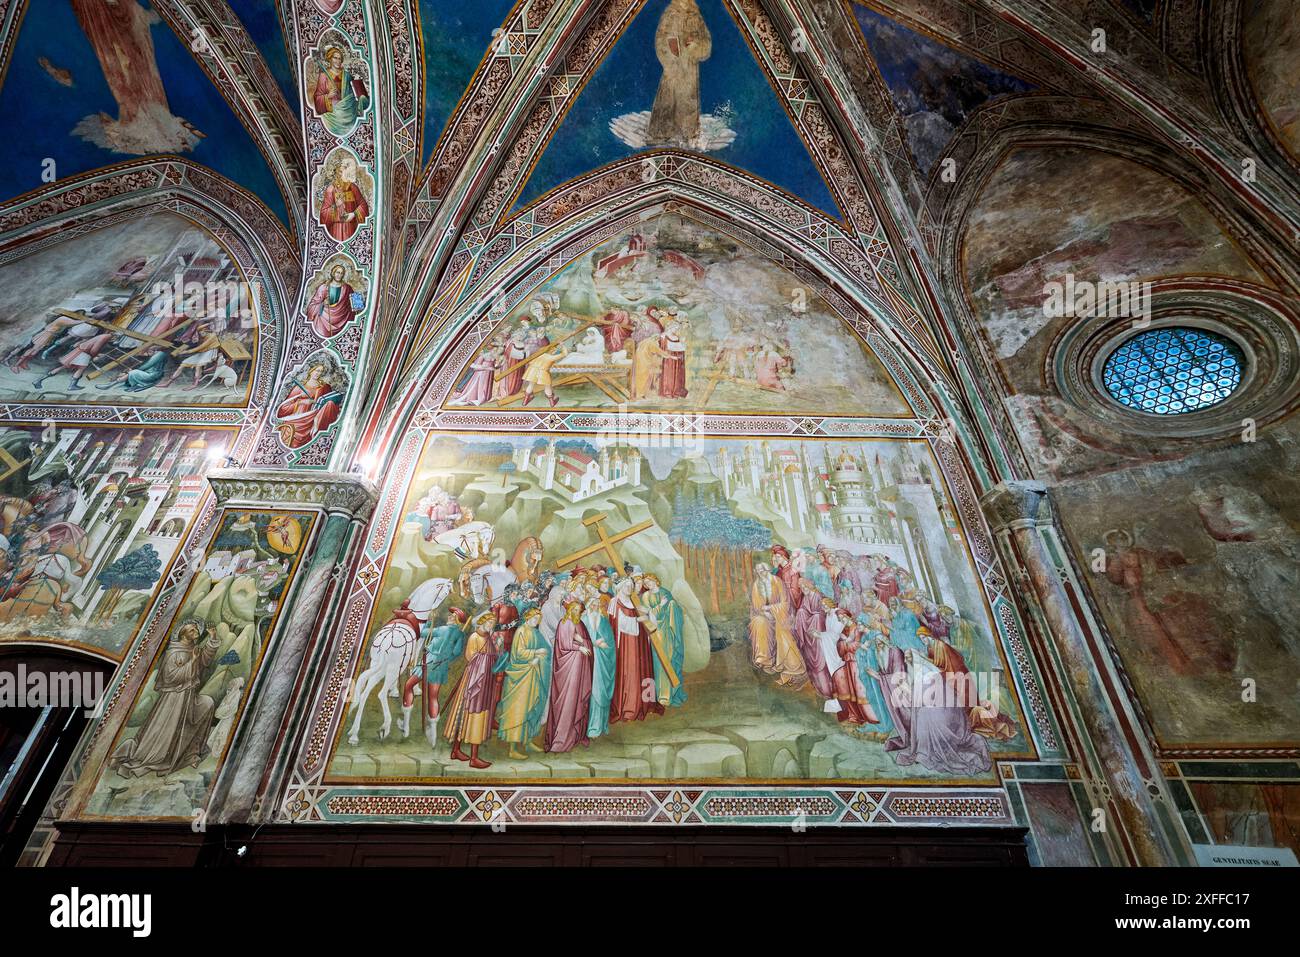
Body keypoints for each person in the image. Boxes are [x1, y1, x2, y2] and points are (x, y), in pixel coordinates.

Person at [109, 620, 221, 777]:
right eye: (191, 630)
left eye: (196, 629)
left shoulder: (192, 649)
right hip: (174, 698)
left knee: (207, 703)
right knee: (167, 730)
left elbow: (204, 661)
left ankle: (190, 753)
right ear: (183, 634)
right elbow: (170, 677)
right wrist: (193, 661)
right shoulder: (173, 652)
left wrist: (213, 637)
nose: (195, 631)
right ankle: (148, 756)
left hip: (188, 696)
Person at [647, 0, 712, 146]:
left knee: (688, 100)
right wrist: (670, 57)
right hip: (673, 67)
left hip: (689, 68)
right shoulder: (670, 12)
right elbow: (661, 38)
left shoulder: (696, 15)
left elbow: (706, 42)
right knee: (668, 99)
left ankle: (688, 134)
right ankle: (661, 133)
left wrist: (695, 45)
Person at [442, 613, 500, 769]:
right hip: (474, 683)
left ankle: (458, 751)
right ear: (482, 622)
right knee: (466, 715)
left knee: (477, 716)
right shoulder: (474, 637)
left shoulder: (488, 638)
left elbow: (492, 657)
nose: (491, 625)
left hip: (484, 681)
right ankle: (471, 757)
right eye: (489, 622)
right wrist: (488, 657)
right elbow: (470, 656)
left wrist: (496, 654)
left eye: (492, 623)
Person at [496, 606, 550, 759]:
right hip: (520, 677)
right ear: (528, 618)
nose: (536, 622)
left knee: (531, 709)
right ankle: (512, 749)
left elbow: (545, 649)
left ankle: (528, 741)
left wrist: (539, 656)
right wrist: (535, 653)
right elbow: (518, 653)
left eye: (538, 620)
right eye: (534, 619)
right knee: (518, 711)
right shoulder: (521, 631)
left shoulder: (536, 632)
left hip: (533, 676)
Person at [608, 577, 663, 723]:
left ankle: (645, 703)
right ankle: (628, 706)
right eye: (626, 585)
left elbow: (647, 615)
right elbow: (619, 623)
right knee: (629, 673)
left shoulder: (634, 601)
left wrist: (649, 613)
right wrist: (637, 620)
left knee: (642, 670)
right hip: (626, 646)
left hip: (639, 643)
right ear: (620, 587)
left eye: (630, 585)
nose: (629, 588)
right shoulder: (615, 602)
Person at [545, 601, 593, 753]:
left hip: (579, 668)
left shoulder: (581, 624)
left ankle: (576, 735)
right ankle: (561, 739)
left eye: (579, 610)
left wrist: (582, 642)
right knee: (568, 701)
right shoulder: (564, 623)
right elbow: (564, 644)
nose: (577, 612)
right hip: (568, 669)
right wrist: (580, 646)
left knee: (577, 698)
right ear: (569, 610)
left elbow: (587, 642)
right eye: (575, 609)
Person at [639, 574, 686, 708]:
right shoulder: (646, 596)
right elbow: (650, 615)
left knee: (671, 660)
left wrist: (670, 606)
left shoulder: (665, 592)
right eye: (646, 583)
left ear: (655, 580)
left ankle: (673, 692)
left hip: (669, 632)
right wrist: (661, 605)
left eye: (650, 581)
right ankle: (662, 695)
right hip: (656, 633)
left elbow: (674, 610)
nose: (648, 585)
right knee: (660, 664)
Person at [275, 363, 343, 448]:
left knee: (330, 404)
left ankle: (317, 431)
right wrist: (301, 402)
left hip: (317, 418)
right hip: (299, 420)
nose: (318, 373)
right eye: (317, 370)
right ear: (311, 371)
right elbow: (282, 410)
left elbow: (328, 400)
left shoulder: (324, 387)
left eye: (321, 372)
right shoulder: (299, 388)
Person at [312, 45, 369, 136]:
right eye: (335, 58)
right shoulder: (323, 76)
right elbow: (317, 98)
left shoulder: (347, 75)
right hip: (333, 114)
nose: (338, 61)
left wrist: (359, 93)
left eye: (340, 58)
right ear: (330, 59)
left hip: (349, 110)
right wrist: (328, 96)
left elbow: (353, 94)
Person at [584, 594, 617, 739]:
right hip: (588, 662)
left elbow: (610, 640)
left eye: (597, 605)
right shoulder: (584, 620)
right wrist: (593, 643)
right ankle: (592, 727)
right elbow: (580, 639)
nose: (595, 607)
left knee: (601, 692)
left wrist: (604, 646)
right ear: (588, 606)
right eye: (592, 604)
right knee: (592, 693)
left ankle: (602, 725)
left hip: (603, 662)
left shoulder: (603, 621)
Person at [319, 155, 369, 241]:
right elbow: (323, 214)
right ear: (341, 172)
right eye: (350, 170)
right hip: (336, 230)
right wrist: (336, 208)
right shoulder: (331, 189)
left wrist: (354, 214)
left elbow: (363, 205)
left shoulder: (353, 188)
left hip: (351, 229)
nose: (352, 173)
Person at [306, 263, 359, 338]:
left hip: (343, 318)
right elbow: (313, 304)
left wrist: (358, 305)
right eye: (338, 272)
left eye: (341, 273)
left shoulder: (347, 288)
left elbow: (356, 303)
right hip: (324, 319)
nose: (339, 275)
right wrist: (322, 304)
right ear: (333, 273)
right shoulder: (324, 287)